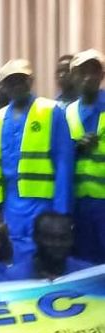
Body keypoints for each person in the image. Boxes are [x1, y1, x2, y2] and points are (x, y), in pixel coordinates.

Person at [0, 59, 74, 262]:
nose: (16, 85)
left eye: (20, 79)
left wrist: (62, 209)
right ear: (3, 86)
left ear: (30, 81)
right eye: (10, 81)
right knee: (12, 252)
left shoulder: (51, 110)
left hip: (43, 201)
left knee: (43, 252)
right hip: (9, 201)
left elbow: (64, 162)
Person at [66, 49, 105, 264]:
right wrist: (76, 148)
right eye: (82, 72)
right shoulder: (66, 112)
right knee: (83, 263)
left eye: (94, 71)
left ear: (102, 75)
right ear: (74, 77)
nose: (88, 77)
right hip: (79, 204)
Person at [6, 212, 91, 281]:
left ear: (72, 239)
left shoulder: (87, 274)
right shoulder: (13, 278)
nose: (57, 244)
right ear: (35, 238)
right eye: (50, 238)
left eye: (64, 238)